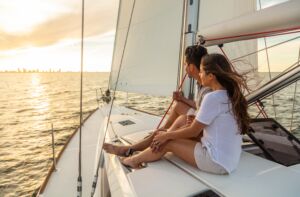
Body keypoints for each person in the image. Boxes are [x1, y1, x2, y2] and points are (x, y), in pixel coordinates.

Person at [121, 53, 250, 174]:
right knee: (171, 135)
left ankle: (133, 160)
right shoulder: (230, 95)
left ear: (211, 76)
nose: (200, 74)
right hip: (229, 161)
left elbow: (193, 131)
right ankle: (138, 155)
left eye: (202, 71)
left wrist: (166, 135)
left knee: (167, 142)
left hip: (216, 162)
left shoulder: (213, 97)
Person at [103, 45, 211, 157]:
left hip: (202, 129)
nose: (184, 68)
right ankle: (163, 130)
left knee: (162, 133)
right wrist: (182, 99)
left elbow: (199, 127)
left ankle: (131, 149)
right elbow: (200, 105)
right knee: (178, 105)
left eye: (185, 65)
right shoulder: (203, 83)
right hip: (201, 119)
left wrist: (170, 134)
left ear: (191, 67)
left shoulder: (207, 90)